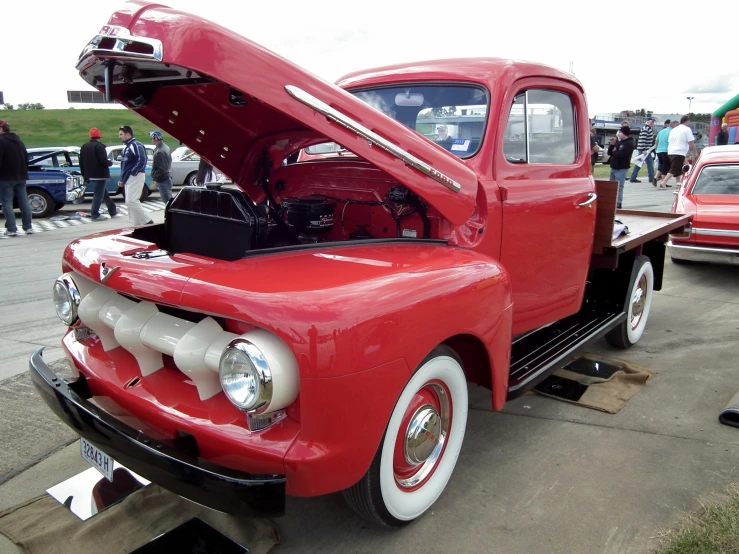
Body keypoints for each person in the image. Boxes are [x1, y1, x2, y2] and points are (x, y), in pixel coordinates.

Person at [0, 120, 33, 237]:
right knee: (24, 201)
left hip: (6, 177)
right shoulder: (19, 141)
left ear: (1, 129)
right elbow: (26, 158)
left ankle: (12, 228)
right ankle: (28, 227)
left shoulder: (1, 141)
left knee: (6, 202)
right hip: (21, 176)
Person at [117, 125, 152, 226]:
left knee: (132, 200)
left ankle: (147, 220)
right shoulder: (127, 148)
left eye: (121, 134)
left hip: (136, 176)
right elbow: (124, 166)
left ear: (128, 135)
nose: (119, 136)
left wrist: (133, 172)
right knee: (129, 201)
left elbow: (142, 160)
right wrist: (122, 179)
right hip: (129, 177)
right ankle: (134, 222)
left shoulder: (136, 145)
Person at [80, 128, 117, 221]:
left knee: (104, 194)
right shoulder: (100, 147)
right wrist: (110, 163)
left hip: (90, 174)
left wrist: (85, 175)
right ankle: (95, 214)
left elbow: (81, 162)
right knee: (98, 195)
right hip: (100, 175)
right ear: (99, 137)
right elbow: (103, 161)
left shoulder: (84, 146)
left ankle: (112, 210)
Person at [661, 115, 697, 188]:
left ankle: (679, 184)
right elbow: (691, 143)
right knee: (674, 168)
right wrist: (694, 153)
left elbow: (669, 141)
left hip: (671, 151)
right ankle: (664, 182)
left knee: (678, 169)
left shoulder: (674, 129)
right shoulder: (687, 129)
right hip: (679, 151)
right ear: (687, 121)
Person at [607, 126, 635, 209]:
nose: (618, 134)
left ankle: (618, 202)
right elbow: (610, 153)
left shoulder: (629, 143)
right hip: (614, 167)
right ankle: (611, 201)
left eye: (620, 132)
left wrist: (614, 153)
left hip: (621, 168)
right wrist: (612, 145)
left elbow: (621, 154)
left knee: (619, 186)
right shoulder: (619, 142)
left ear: (624, 133)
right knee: (611, 186)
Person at [629, 117, 655, 184]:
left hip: (644, 148)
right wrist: (644, 149)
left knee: (639, 163)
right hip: (644, 149)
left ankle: (633, 177)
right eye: (652, 122)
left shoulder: (646, 128)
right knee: (649, 163)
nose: (653, 123)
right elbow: (643, 139)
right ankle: (651, 178)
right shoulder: (646, 129)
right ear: (648, 122)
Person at [149, 130, 173, 203]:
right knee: (168, 200)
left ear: (155, 139)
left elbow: (162, 169)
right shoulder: (165, 147)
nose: (151, 140)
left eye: (152, 138)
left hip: (163, 180)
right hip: (167, 178)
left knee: (167, 201)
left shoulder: (159, 151)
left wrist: (154, 176)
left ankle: (169, 214)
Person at [654, 120, 676, 185]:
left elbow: (656, 140)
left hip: (659, 150)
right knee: (666, 166)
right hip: (666, 150)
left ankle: (655, 177)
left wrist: (656, 148)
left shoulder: (661, 131)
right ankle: (663, 182)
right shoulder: (672, 132)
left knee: (661, 165)